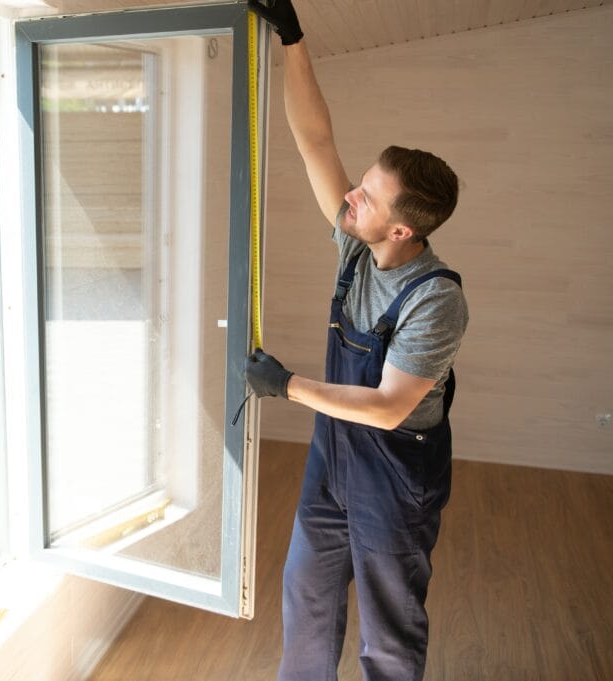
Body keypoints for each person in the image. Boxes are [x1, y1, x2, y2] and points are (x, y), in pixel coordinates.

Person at [244, 2, 469, 680]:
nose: (351, 200)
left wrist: (285, 385)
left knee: (389, 631)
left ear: (404, 229)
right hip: (333, 461)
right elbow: (316, 140)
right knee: (307, 596)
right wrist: (293, 36)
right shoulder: (355, 244)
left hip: (394, 477)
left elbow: (387, 406)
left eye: (368, 199)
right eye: (362, 186)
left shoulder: (436, 299)